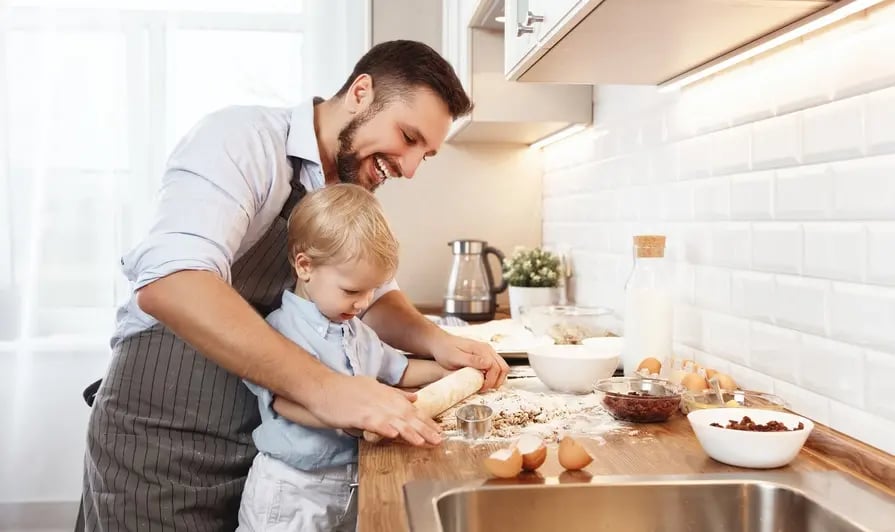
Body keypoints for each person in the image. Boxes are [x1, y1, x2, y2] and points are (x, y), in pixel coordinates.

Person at [79, 39, 509, 530]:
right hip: (164, 440)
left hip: (267, 448)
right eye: (408, 137)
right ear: (361, 92)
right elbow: (174, 282)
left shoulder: (347, 189)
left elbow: (375, 299)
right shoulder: (242, 140)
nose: (409, 169)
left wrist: (438, 342)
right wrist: (328, 390)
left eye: (424, 156)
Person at [237, 183, 451, 531]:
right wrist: (344, 417)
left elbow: (400, 369)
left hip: (348, 485)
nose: (364, 303)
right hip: (293, 493)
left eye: (372, 290)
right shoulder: (281, 331)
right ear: (305, 266)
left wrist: (446, 372)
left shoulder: (356, 331)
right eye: (352, 290)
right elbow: (284, 403)